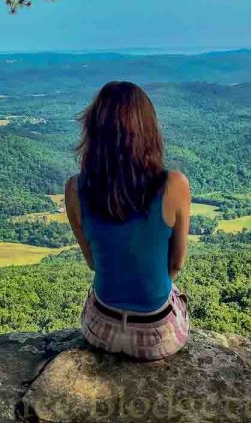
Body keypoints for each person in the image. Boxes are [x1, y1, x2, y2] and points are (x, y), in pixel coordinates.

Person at [65, 80, 191, 361]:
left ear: (93, 130)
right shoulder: (174, 184)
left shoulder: (75, 188)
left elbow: (94, 263)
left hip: (100, 329)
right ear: (148, 130)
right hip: (157, 335)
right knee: (176, 294)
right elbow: (176, 263)